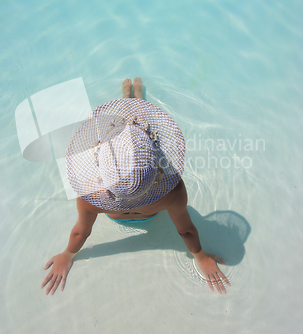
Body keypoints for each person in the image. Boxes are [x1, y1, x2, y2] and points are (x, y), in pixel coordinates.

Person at [41, 78, 230, 295]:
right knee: (144, 127)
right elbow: (186, 230)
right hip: (150, 214)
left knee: (120, 127)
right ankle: (138, 99)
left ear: (100, 165)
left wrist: (66, 256)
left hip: (114, 214)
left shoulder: (89, 194)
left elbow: (80, 233)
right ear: (157, 159)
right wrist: (202, 257)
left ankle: (127, 98)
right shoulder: (172, 191)